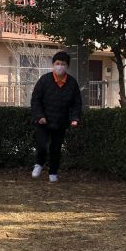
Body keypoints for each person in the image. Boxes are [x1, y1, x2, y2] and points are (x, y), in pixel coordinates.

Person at [30, 51, 82, 183]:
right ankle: (39, 164)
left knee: (56, 149)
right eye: (57, 63)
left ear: (67, 66)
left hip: (60, 122)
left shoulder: (72, 83)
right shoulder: (44, 80)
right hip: (43, 121)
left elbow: (76, 103)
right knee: (42, 146)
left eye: (63, 64)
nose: (60, 66)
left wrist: (75, 118)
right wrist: (39, 116)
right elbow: (36, 100)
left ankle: (53, 173)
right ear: (53, 64)